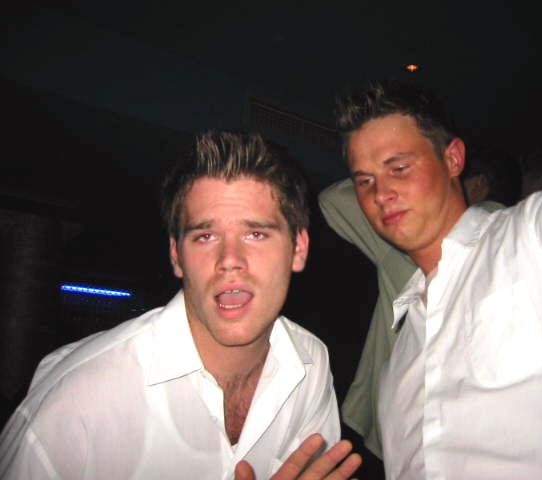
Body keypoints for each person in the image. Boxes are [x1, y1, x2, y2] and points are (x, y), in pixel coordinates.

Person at [0, 132, 360, 479]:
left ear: (298, 248)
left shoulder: (310, 364)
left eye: (256, 233)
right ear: (176, 256)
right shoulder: (80, 400)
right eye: (205, 236)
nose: (229, 259)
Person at [326, 80, 542, 479]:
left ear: (453, 159)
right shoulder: (396, 369)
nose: (381, 193)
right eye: (364, 181)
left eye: (399, 168)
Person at [319, 140, 519, 458]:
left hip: (390, 433)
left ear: (477, 183)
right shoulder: (523, 243)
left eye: (401, 170)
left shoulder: (416, 235)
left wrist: (372, 176)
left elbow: (332, 201)